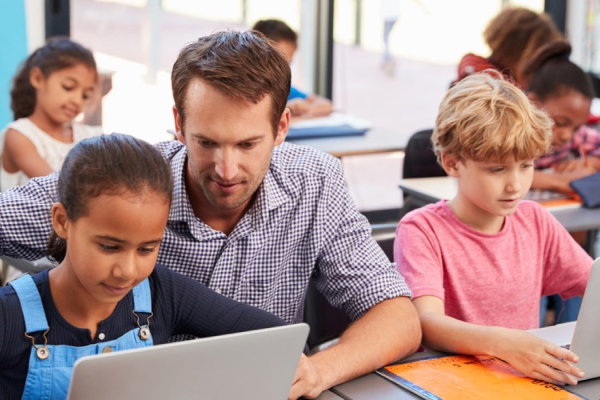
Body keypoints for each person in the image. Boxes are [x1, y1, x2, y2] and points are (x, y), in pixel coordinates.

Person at [0, 31, 421, 399]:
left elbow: (397, 316)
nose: (225, 170)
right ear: (179, 125)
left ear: (282, 127)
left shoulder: (316, 182)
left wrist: (317, 371)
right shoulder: (129, 186)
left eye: (247, 144)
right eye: (207, 142)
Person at [0, 133, 286, 400]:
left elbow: (280, 342)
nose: (127, 271)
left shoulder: (163, 294)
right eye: (109, 247)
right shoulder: (8, 316)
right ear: (63, 221)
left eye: (147, 249)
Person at [396, 71, 592, 386]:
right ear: (452, 163)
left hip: (521, 380)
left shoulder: (534, 221)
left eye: (526, 165)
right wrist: (503, 344)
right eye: (497, 169)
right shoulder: (422, 229)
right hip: (448, 382)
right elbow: (426, 322)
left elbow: (592, 284)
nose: (515, 184)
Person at [1, 37, 103, 192]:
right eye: (68, 87)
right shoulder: (19, 136)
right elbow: (60, 191)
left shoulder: (89, 136)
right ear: (38, 79)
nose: (77, 101)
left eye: (85, 95)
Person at [521, 40, 600, 193]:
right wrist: (560, 181)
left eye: (576, 127)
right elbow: (502, 173)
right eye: (561, 123)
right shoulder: (509, 136)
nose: (567, 136)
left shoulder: (577, 136)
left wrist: (592, 161)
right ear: (533, 104)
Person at [454, 7, 563, 88]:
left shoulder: (474, 68)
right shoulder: (491, 84)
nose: (538, 65)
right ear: (520, 52)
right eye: (537, 56)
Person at [251, 19, 333, 119]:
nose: (281, 71)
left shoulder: (281, 89)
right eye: (276, 63)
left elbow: (326, 104)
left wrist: (302, 110)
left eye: (287, 64)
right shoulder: (240, 90)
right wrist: (286, 109)